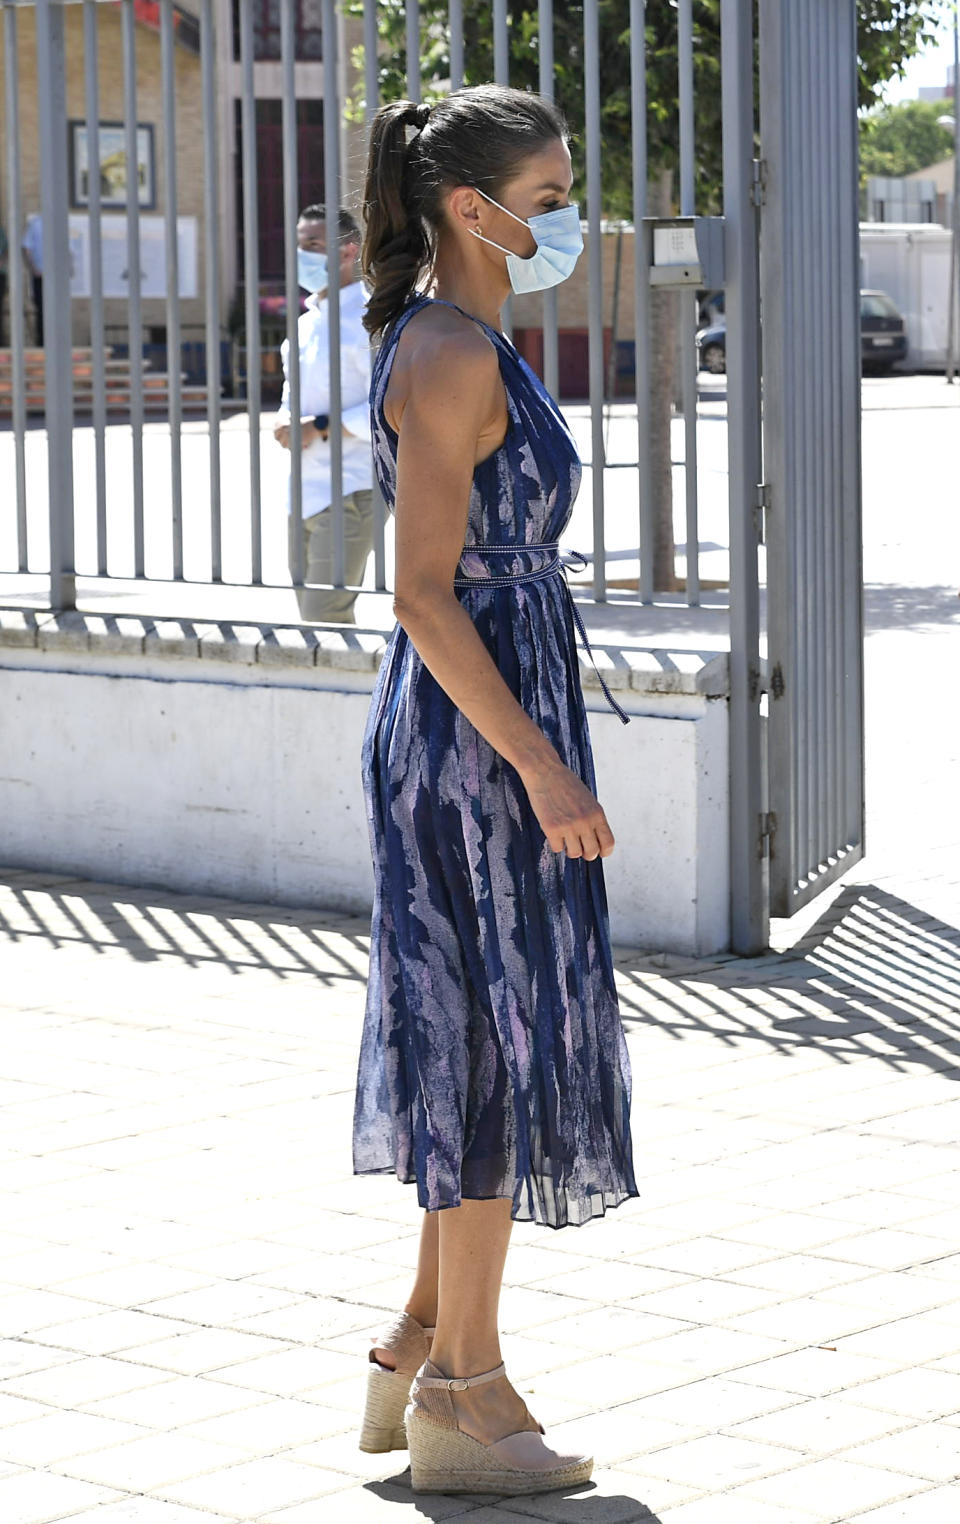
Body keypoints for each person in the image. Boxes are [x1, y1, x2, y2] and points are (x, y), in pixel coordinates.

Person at [352, 85, 638, 1496]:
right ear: (471, 210)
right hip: (474, 747)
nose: (567, 218)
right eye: (548, 195)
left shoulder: (471, 335)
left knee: (482, 1039)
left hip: (490, 715)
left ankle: (418, 1344)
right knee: (487, 1054)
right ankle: (464, 1399)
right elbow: (416, 593)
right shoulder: (454, 349)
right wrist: (539, 763)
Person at [274, 205, 374, 624]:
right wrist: (284, 420)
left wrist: (318, 426)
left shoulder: (370, 320)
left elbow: (389, 405)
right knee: (312, 619)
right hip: (302, 492)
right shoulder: (304, 325)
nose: (304, 255)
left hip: (351, 488)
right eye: (301, 245)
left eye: (314, 245)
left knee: (323, 616)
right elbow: (292, 395)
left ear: (348, 251)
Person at [21, 213, 43, 348]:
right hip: (48, 275)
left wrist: (33, 268)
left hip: (40, 274)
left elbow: (27, 249)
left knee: (41, 309)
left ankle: (43, 342)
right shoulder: (37, 223)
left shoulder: (35, 224)